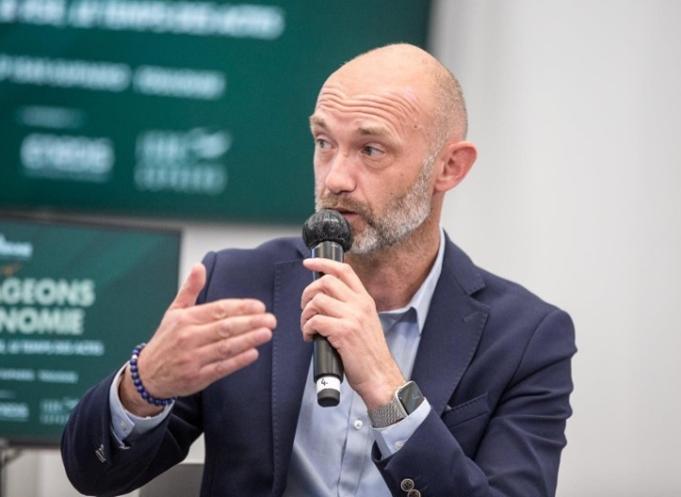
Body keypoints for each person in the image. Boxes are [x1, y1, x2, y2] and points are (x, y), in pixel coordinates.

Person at [61, 43, 576, 497]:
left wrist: (387, 389)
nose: (336, 178)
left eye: (371, 149)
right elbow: (95, 475)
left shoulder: (526, 338)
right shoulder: (239, 284)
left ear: (450, 168)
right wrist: (144, 383)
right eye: (324, 142)